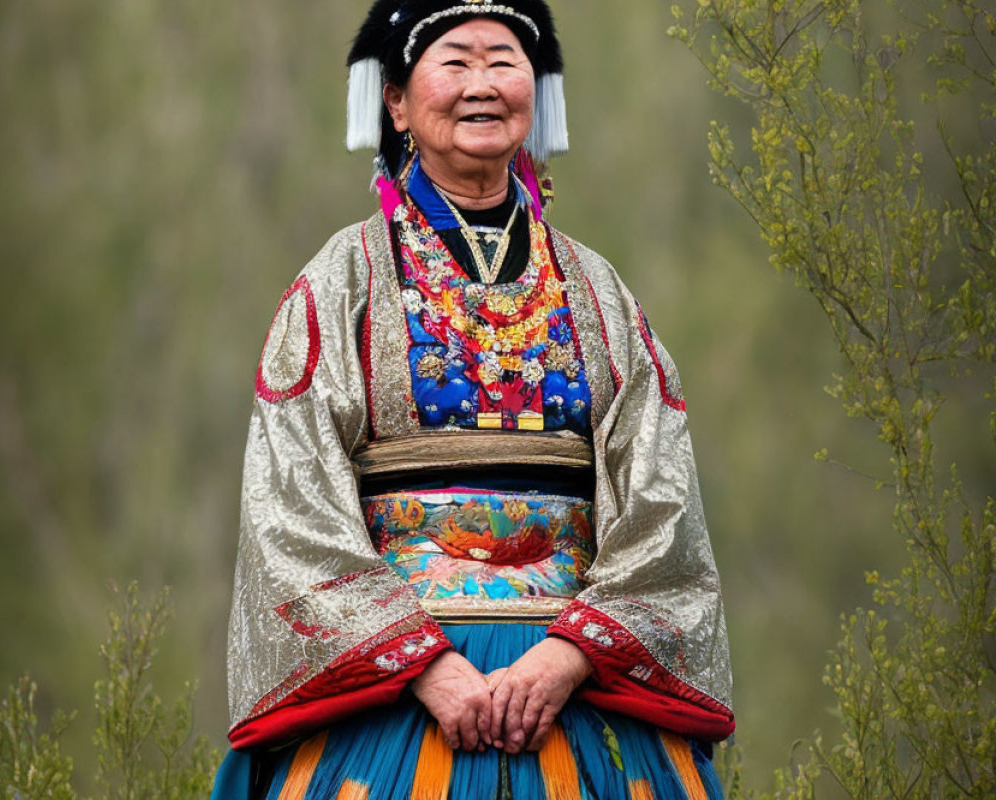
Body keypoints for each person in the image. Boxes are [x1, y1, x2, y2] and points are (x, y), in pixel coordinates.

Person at [210, 1, 735, 797]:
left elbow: (662, 500)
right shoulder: (339, 283)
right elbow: (292, 507)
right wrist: (426, 666)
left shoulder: (599, 291)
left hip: (575, 685)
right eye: (455, 62)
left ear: (537, 89)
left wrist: (566, 658)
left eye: (504, 62)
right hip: (399, 694)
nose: (481, 85)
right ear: (396, 101)